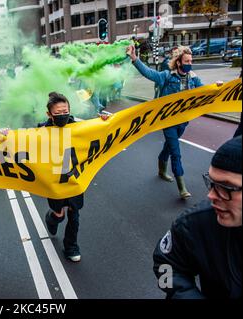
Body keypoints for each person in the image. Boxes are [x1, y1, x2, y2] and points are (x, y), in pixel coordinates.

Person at [153, 136, 242, 299]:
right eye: (211, 183)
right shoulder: (194, 223)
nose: (211, 195)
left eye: (225, 187)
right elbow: (165, 264)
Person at [127, 45, 204, 199]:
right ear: (179, 63)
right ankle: (182, 187)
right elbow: (150, 73)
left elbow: (205, 92)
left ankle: (161, 170)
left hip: (183, 121)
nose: (190, 63)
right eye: (187, 61)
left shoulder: (193, 78)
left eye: (191, 60)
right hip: (168, 121)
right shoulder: (168, 75)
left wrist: (220, 88)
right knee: (176, 153)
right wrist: (135, 58)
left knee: (169, 147)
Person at [39, 92, 110, 262]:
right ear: (49, 114)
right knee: (59, 214)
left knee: (74, 214)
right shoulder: (41, 129)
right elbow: (22, 141)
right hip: (55, 182)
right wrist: (6, 134)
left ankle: (71, 246)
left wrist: (105, 121)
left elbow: (94, 128)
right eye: (58, 113)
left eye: (65, 111)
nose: (63, 115)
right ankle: (52, 218)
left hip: (74, 179)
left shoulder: (77, 124)